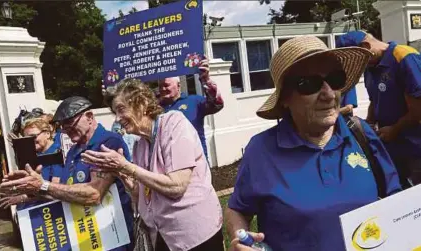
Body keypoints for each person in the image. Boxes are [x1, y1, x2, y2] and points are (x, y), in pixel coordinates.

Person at [226, 36, 401, 251]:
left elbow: (395, 200)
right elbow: (237, 209)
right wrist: (240, 238)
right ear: (285, 99)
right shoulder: (262, 151)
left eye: (335, 79)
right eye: (309, 84)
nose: (328, 94)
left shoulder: (361, 133)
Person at [81, 79, 224, 251]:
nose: (118, 119)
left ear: (141, 104)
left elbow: (177, 186)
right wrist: (122, 174)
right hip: (163, 236)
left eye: (120, 109)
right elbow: (142, 195)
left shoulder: (174, 123)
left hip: (195, 234)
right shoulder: (140, 145)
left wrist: (127, 167)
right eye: (115, 113)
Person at [0, 96, 134, 251]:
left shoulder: (108, 142)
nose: (66, 130)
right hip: (87, 236)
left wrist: (44, 185)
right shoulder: (74, 151)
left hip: (112, 237)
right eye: (62, 126)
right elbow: (62, 191)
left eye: (69, 123)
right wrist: (32, 189)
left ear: (89, 117)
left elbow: (94, 194)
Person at [337, 31, 421, 187]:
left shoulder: (404, 57)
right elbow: (375, 100)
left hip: (416, 146)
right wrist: (369, 123)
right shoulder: (371, 67)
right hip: (392, 145)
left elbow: (418, 108)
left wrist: (395, 129)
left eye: (356, 59)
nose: (357, 66)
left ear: (365, 47)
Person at [158, 58, 224, 160]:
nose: (163, 89)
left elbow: (217, 104)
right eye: (160, 86)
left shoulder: (194, 101)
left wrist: (205, 80)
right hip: (168, 165)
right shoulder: (156, 109)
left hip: (196, 163)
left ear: (179, 85)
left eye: (166, 85)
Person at [0, 118, 64, 209]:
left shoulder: (56, 153)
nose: (31, 141)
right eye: (27, 139)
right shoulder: (36, 154)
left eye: (34, 137)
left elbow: (56, 191)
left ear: (47, 134)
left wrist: (22, 198)